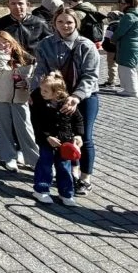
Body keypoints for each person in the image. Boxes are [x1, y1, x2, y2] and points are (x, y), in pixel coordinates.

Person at [33, 5, 100, 195]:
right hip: (57, 97)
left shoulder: (85, 45)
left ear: (76, 23)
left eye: (69, 22)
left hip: (84, 97)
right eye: (60, 22)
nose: (65, 25)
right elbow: (40, 71)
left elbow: (91, 76)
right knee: (63, 134)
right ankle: (72, 171)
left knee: (84, 136)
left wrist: (76, 97)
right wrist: (35, 94)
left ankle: (85, 178)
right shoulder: (45, 44)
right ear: (54, 23)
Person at [0, 31, 38, 172]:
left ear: (11, 41)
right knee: (3, 128)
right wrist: (3, 56)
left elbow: (36, 76)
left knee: (25, 129)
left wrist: (27, 83)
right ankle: (8, 157)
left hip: (20, 98)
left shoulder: (27, 58)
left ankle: (34, 159)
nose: (3, 46)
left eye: (5, 42)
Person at [30, 72, 84, 206]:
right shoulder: (39, 103)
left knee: (64, 167)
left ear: (57, 92)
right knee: (45, 165)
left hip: (65, 142)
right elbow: (36, 122)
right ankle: (41, 189)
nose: (42, 92)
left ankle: (66, 193)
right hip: (46, 141)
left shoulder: (67, 103)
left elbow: (78, 120)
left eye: (45, 91)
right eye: (41, 89)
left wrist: (78, 135)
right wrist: (47, 136)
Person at [111, 0, 138, 97]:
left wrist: (113, 39)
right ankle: (130, 87)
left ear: (128, 4)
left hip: (128, 45)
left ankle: (131, 90)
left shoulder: (129, 16)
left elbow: (120, 31)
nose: (121, 5)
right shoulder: (136, 14)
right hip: (135, 44)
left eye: (122, 3)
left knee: (126, 67)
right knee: (130, 66)